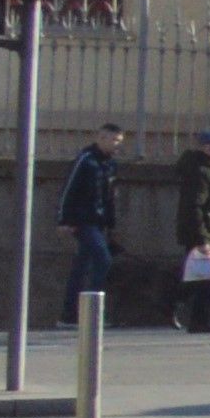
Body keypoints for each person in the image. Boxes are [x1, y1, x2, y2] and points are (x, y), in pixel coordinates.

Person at [54, 125, 121, 329]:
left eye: (119, 141)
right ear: (101, 138)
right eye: (114, 140)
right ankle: (90, 314)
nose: (117, 145)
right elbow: (69, 189)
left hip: (98, 222)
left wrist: (110, 225)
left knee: (81, 267)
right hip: (83, 221)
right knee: (103, 260)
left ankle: (69, 315)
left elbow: (109, 198)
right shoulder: (86, 160)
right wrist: (63, 220)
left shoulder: (110, 165)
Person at [169, 132, 210, 335]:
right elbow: (194, 206)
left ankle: (177, 308)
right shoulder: (200, 171)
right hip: (201, 234)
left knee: (198, 278)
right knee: (205, 280)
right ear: (206, 148)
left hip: (206, 232)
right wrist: (201, 239)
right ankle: (189, 316)